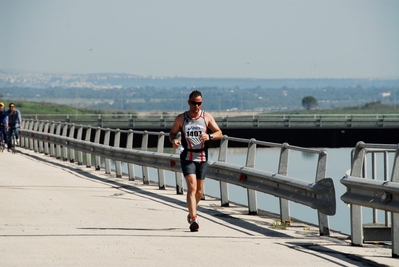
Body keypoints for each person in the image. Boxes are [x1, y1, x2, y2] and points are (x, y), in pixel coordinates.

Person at [169, 90, 222, 232]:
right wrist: (174, 141)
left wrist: (209, 137)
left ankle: (191, 211)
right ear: (189, 102)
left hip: (202, 156)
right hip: (187, 156)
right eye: (194, 103)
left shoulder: (206, 117)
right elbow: (172, 134)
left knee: (199, 190)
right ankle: (194, 218)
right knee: (191, 187)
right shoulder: (181, 119)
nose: (196, 106)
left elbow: (219, 133)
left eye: (199, 103)